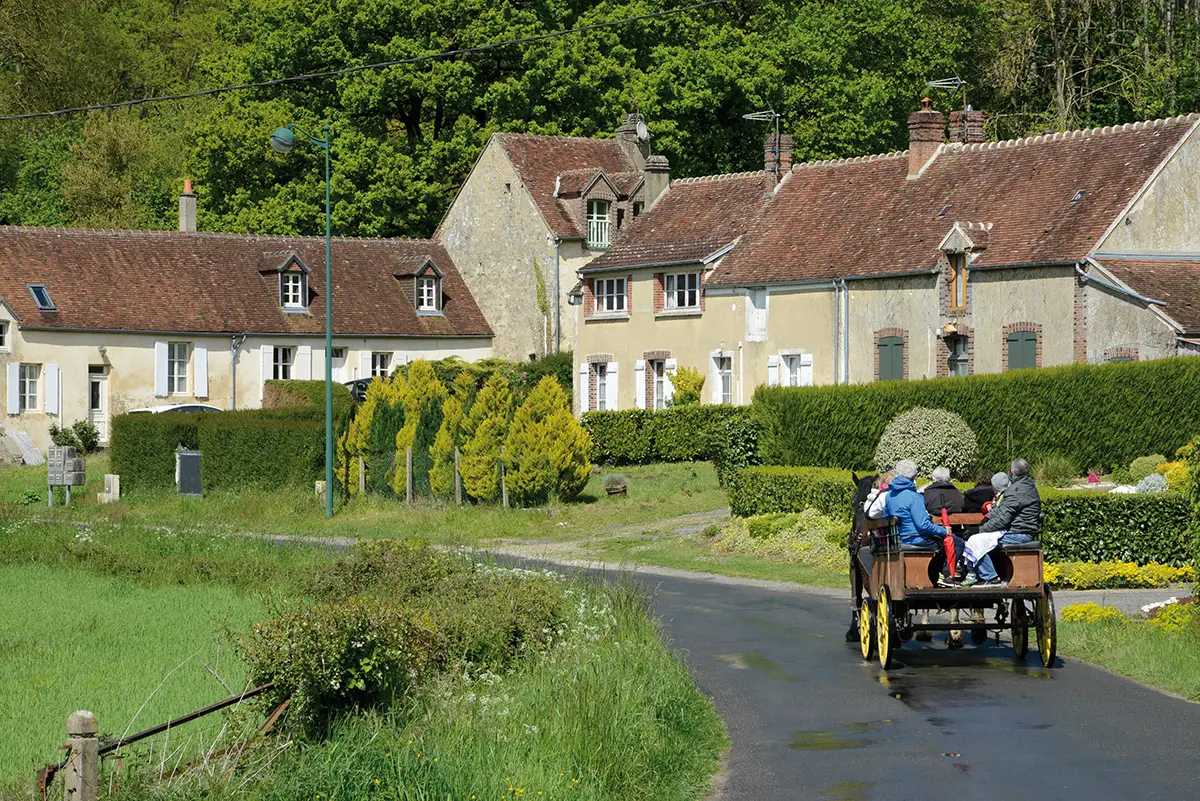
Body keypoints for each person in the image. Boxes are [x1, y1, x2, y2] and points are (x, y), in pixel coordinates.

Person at [884, 460, 965, 587]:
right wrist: (944, 530)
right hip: (916, 538)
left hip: (899, 537)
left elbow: (886, 516)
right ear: (914, 477)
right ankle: (944, 576)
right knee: (957, 542)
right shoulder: (914, 497)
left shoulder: (889, 496)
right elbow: (923, 525)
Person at [963, 458, 1041, 587]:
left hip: (1018, 534)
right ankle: (997, 574)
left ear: (1011, 471)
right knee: (979, 538)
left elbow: (1002, 519)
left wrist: (980, 529)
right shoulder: (1027, 486)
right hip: (1023, 530)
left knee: (976, 540)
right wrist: (986, 520)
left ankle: (990, 577)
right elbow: (999, 510)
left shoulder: (1016, 490)